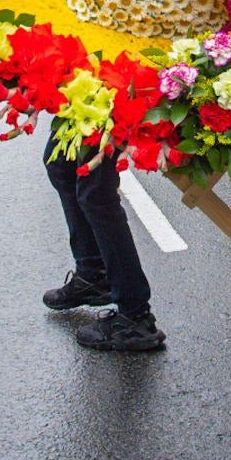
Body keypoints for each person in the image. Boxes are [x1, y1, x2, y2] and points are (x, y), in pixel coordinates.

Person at [41, 132, 166, 351]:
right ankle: (94, 273)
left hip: (115, 102)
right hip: (92, 99)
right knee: (61, 163)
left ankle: (135, 316)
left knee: (96, 192)